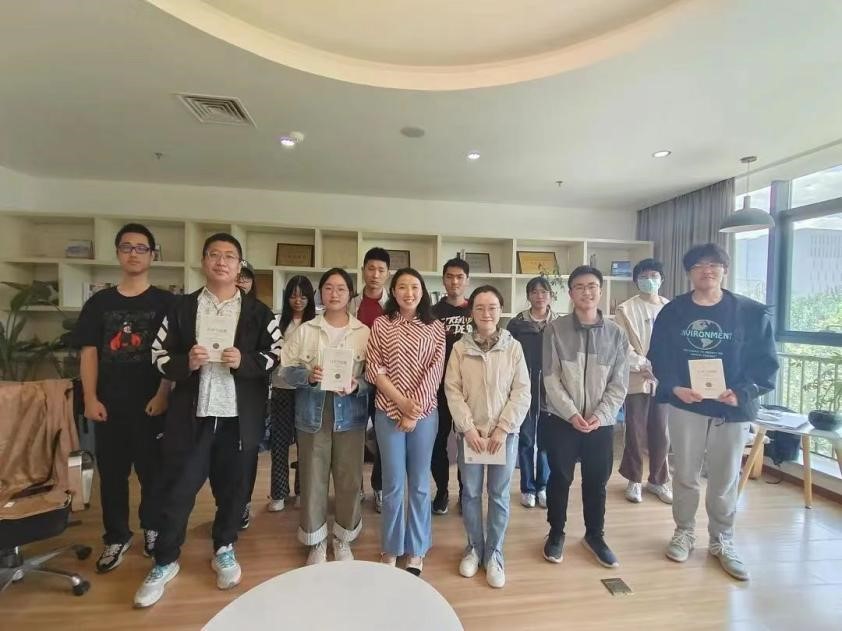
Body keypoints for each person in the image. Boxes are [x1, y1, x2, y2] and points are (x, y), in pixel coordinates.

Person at [134, 233, 281, 608]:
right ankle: (165, 560)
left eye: (230, 256)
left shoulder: (259, 312)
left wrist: (245, 361)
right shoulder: (181, 308)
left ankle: (224, 547)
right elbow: (157, 354)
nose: (221, 261)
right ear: (203, 262)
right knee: (178, 489)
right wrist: (186, 362)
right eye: (214, 254)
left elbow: (275, 354)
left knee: (234, 489)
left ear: (239, 265)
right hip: (191, 416)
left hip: (238, 418)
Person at [648, 243, 778, 581]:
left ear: (725, 270)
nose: (707, 270)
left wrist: (743, 393)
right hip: (686, 404)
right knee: (685, 474)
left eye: (714, 264)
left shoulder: (750, 312)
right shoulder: (673, 312)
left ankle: (722, 540)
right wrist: (674, 387)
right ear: (689, 273)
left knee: (724, 478)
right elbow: (658, 355)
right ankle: (684, 532)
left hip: (731, 408)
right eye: (699, 265)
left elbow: (766, 364)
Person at [75, 223, 174, 573]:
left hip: (151, 405)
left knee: (153, 473)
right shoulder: (99, 303)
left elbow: (172, 355)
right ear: (117, 253)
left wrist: (163, 394)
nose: (134, 253)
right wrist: (90, 398)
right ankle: (116, 536)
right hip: (109, 405)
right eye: (127, 247)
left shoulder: (167, 303)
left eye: (141, 248)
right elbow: (89, 353)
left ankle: (153, 528)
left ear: (152, 255)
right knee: (112, 475)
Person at [280, 268, 371, 565]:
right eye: (329, 288)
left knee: (349, 478)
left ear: (350, 294)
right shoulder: (306, 330)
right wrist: (308, 376)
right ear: (320, 293)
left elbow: (374, 376)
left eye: (341, 288)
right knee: (312, 477)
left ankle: (343, 538)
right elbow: (285, 370)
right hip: (312, 413)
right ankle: (316, 540)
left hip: (351, 413)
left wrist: (358, 384)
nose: (334, 293)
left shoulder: (363, 333)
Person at [541, 265, 628, 568]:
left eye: (592, 286)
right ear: (570, 293)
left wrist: (600, 415)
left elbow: (619, 384)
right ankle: (556, 532)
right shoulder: (555, 330)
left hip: (600, 423)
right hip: (562, 420)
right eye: (579, 287)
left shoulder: (616, 334)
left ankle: (595, 535)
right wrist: (572, 413)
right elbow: (550, 378)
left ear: (600, 291)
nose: (586, 292)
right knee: (560, 478)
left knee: (596, 481)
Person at [445, 286, 530, 588]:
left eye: (492, 307)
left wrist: (503, 428)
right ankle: (473, 548)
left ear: (500, 310)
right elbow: (452, 390)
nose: (486, 313)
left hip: (502, 436)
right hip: (470, 435)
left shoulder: (513, 348)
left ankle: (494, 553)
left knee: (498, 494)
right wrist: (468, 428)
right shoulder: (460, 348)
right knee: (470, 493)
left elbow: (522, 391)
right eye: (480, 307)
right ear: (472, 312)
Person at [366, 268, 445, 576]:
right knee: (393, 483)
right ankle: (391, 546)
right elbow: (375, 369)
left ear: (422, 291)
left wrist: (413, 411)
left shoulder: (435, 327)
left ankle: (416, 548)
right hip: (387, 412)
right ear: (394, 291)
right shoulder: (381, 324)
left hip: (424, 415)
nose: (408, 293)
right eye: (402, 287)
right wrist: (401, 404)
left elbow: (435, 372)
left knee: (420, 483)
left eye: (414, 287)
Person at [614, 258, 672, 505]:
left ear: (661, 279)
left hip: (664, 378)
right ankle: (634, 479)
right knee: (635, 431)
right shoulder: (625, 309)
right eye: (644, 276)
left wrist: (661, 368)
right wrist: (644, 364)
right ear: (636, 280)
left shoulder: (672, 308)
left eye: (654, 275)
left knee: (661, 431)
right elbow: (621, 344)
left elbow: (676, 343)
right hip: (637, 376)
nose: (649, 280)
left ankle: (658, 480)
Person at [507, 276, 558, 509]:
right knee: (526, 439)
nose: (539, 296)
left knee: (546, 440)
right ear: (528, 296)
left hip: (551, 390)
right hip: (524, 389)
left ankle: (543, 486)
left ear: (551, 296)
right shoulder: (517, 324)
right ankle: (527, 487)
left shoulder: (559, 323)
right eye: (534, 292)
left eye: (544, 292)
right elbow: (509, 357)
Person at [266, 275, 315, 512]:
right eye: (293, 296)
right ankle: (279, 493)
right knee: (279, 443)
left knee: (306, 444)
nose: (298, 301)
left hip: (306, 390)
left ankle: (303, 491)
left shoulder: (315, 324)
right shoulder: (277, 322)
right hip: (281, 389)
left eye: (303, 296)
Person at [348, 247, 390, 512]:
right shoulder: (351, 303)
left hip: (385, 381)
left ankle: (380, 487)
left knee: (384, 438)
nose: (375, 274)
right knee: (353, 436)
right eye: (371, 269)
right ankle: (355, 488)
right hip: (354, 379)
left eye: (381, 270)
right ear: (363, 270)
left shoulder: (393, 305)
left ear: (388, 274)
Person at [430, 257, 471, 515]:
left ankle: (466, 492)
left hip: (470, 390)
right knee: (438, 442)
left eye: (459, 277)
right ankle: (442, 491)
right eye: (449, 276)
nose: (454, 281)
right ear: (443, 279)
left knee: (468, 440)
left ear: (467, 280)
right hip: (439, 388)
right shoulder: (432, 313)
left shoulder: (476, 310)